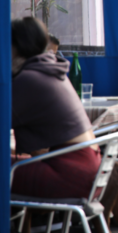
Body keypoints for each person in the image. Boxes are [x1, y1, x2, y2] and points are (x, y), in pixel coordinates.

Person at [11, 17, 100, 199]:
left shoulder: (30, 79)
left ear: (16, 47)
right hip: (91, 171)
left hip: (71, 176)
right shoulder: (49, 69)